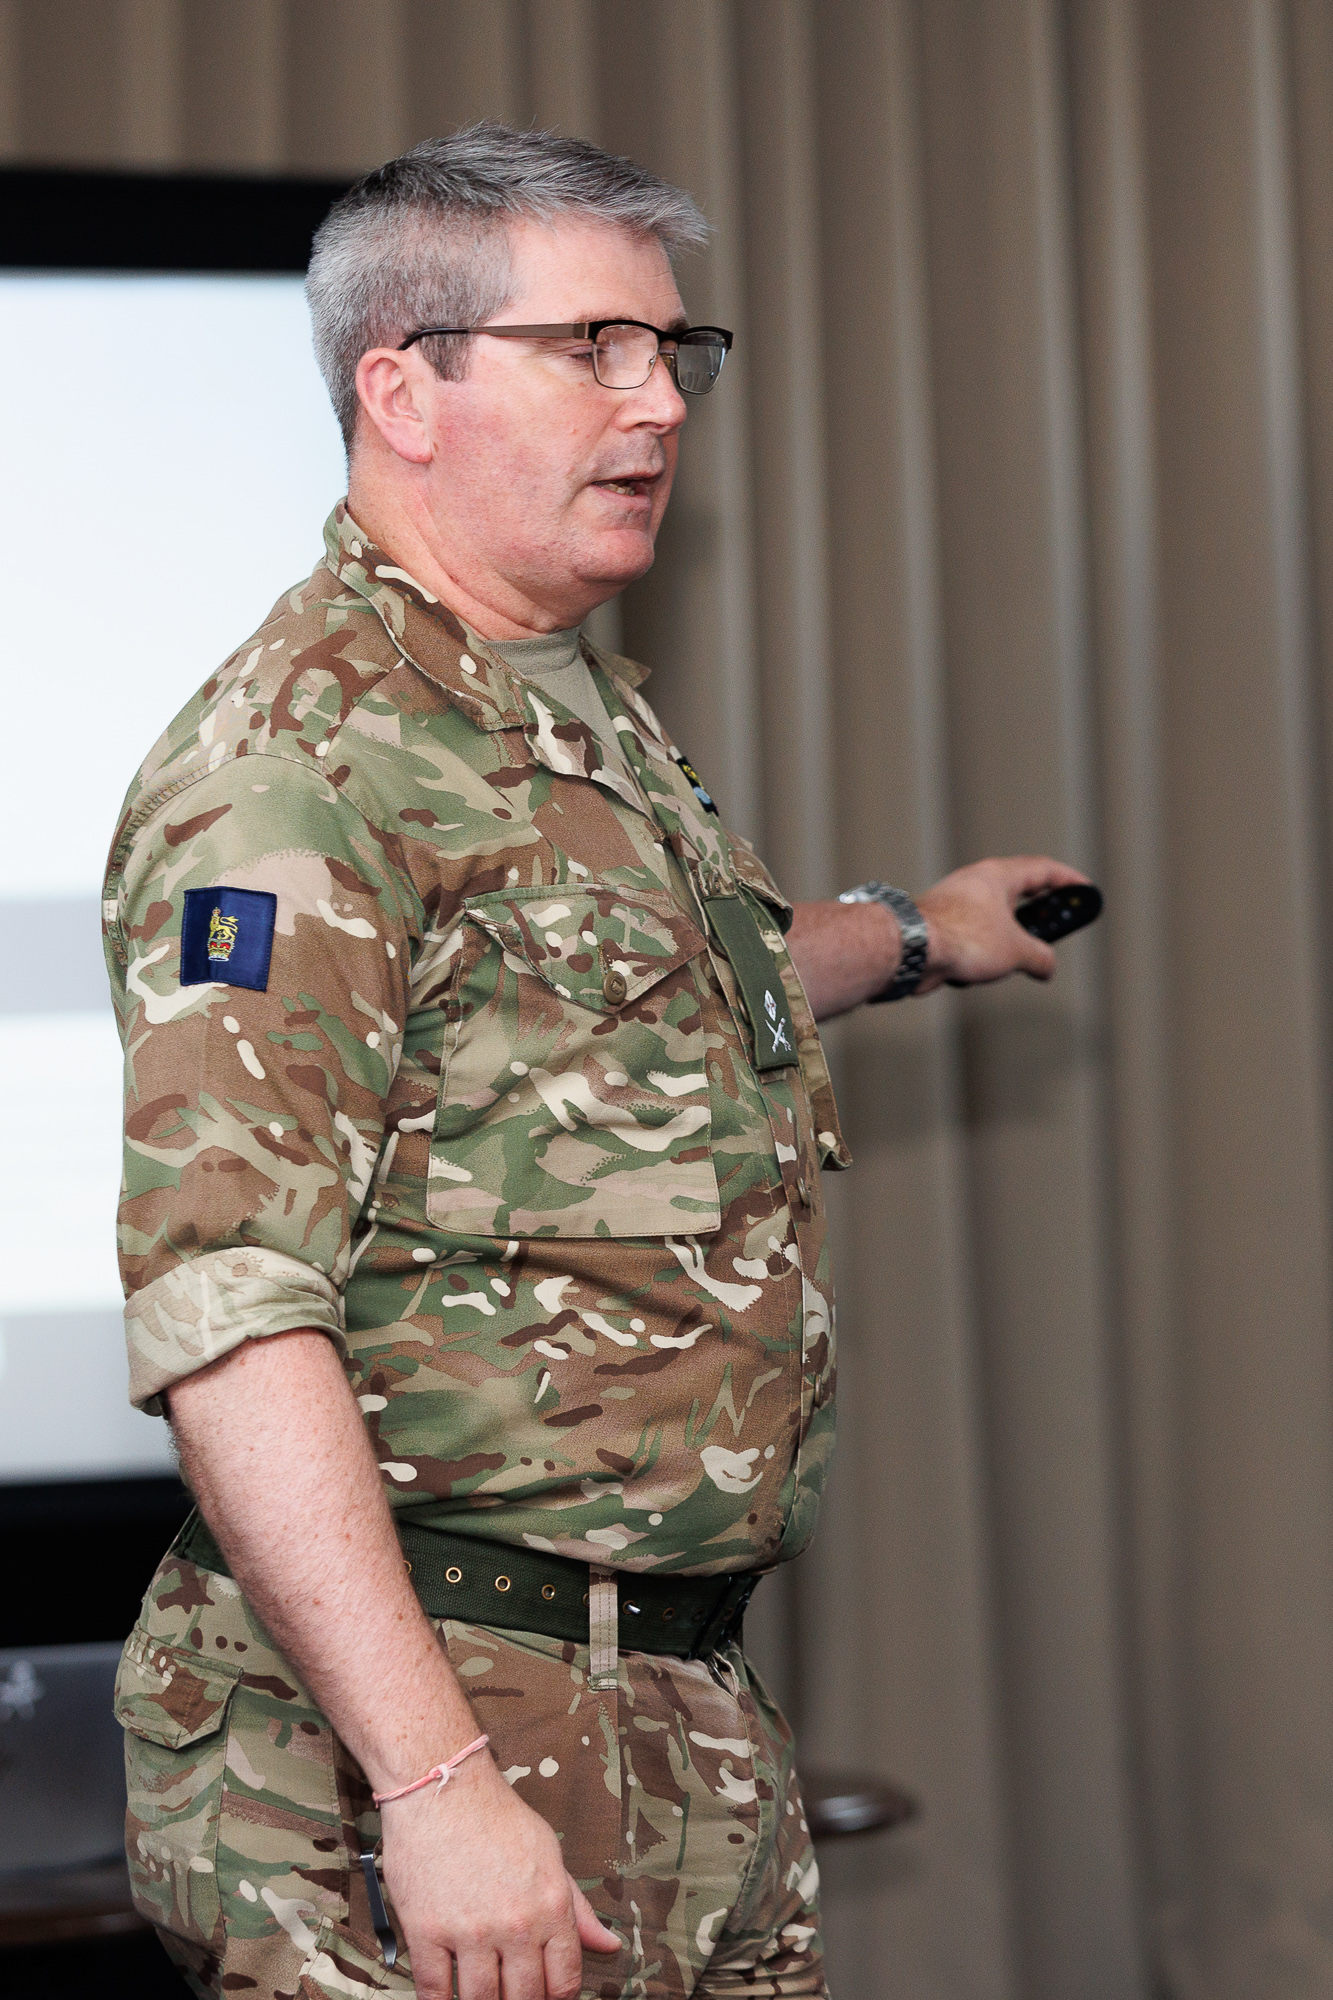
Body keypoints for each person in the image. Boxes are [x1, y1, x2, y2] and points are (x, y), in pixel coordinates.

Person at [104, 124, 1085, 2000]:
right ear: (402, 390)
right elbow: (230, 1312)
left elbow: (615, 1009)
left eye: (672, 350)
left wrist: (911, 932)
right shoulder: (296, 770)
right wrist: (434, 1786)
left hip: (658, 1699)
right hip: (430, 1721)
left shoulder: (556, 704)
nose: (660, 402)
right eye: (593, 349)